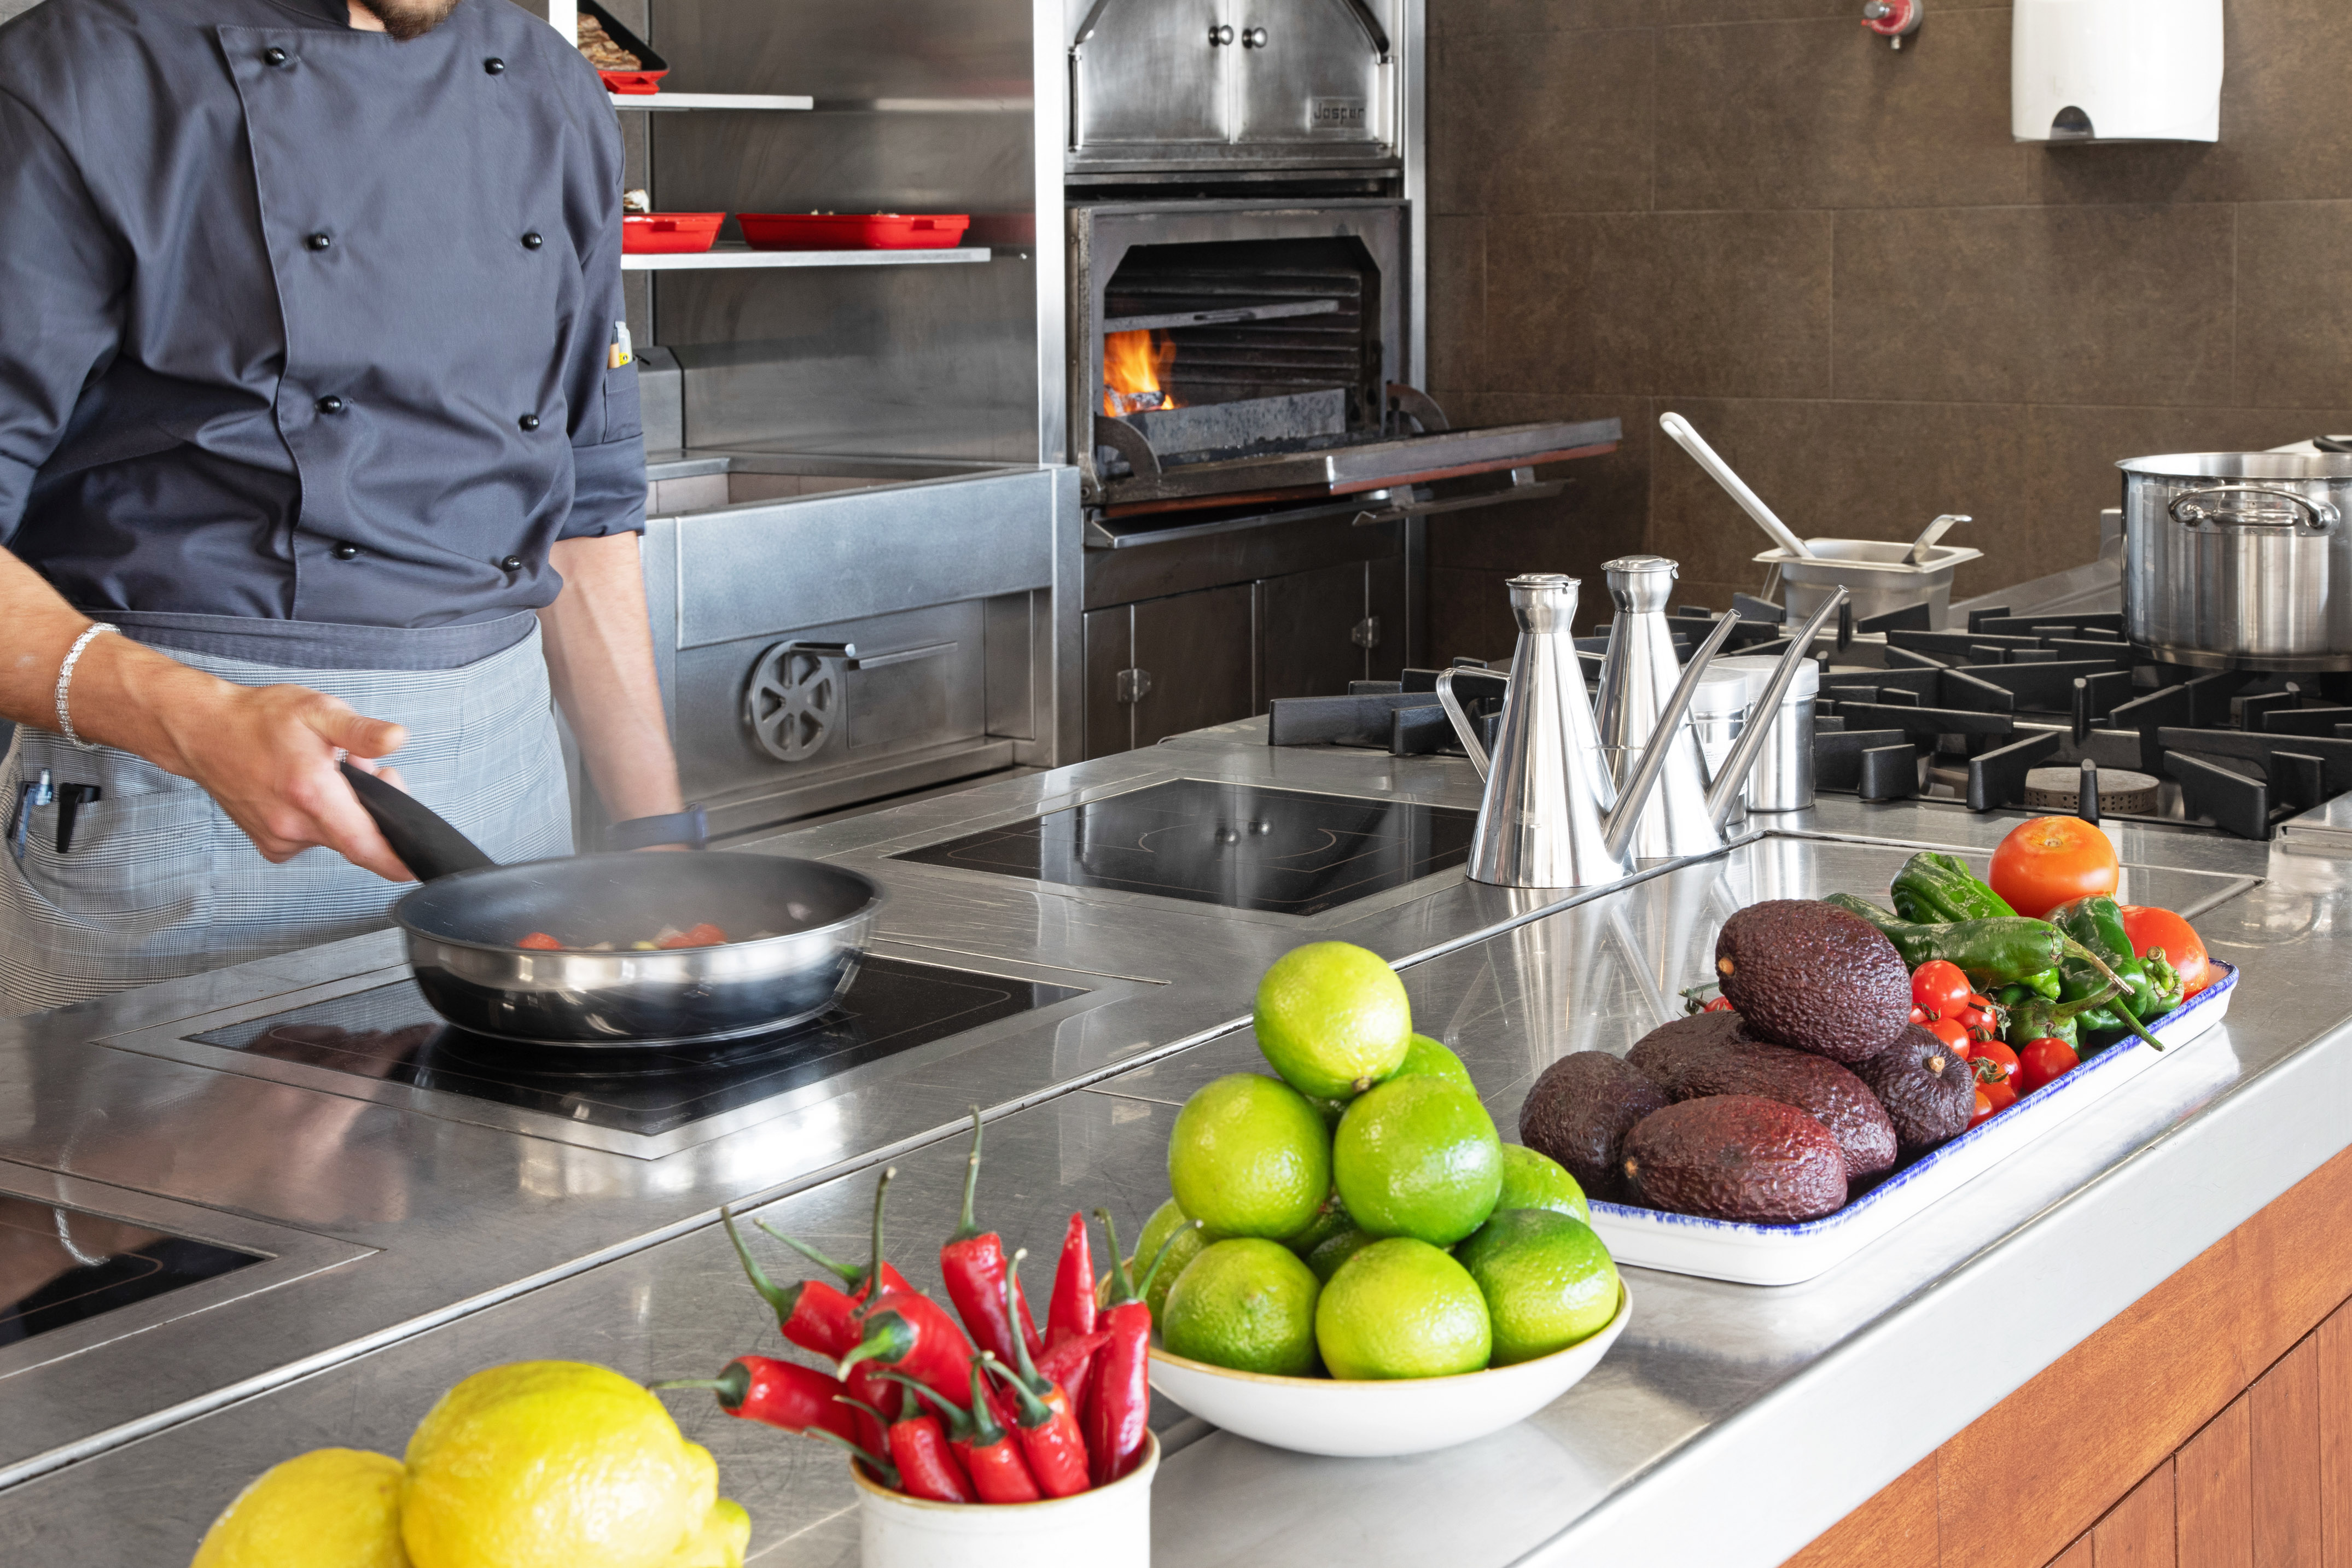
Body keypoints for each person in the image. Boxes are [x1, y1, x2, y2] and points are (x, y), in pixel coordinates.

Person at [0, 0, 694, 1012]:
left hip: (510, 811)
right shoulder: (79, 78)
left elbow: (586, 506)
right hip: (186, 833)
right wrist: (197, 722)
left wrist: (660, 845)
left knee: (512, 1165)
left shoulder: (551, 86)